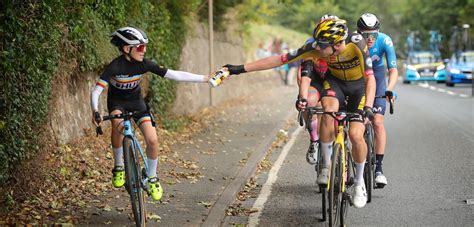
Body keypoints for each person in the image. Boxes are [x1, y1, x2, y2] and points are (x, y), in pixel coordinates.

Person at [222, 18, 376, 208]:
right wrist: (239, 69)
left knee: (355, 134)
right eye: (317, 44)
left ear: (337, 44)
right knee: (328, 111)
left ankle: (360, 183)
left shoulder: (356, 44)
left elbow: (370, 79)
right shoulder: (315, 46)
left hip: (359, 88)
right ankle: (326, 166)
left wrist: (368, 106)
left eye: (322, 45)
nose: (318, 49)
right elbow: (279, 60)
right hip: (335, 84)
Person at [90, 26, 209, 201]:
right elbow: (96, 91)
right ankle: (119, 166)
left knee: (152, 140)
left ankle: (152, 177)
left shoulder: (145, 64)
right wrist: (95, 111)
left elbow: (174, 75)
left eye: (144, 46)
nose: (144, 50)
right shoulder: (115, 66)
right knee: (118, 127)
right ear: (126, 48)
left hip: (137, 102)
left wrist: (204, 78)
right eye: (140, 47)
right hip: (117, 103)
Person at [357, 13, 398, 188]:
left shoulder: (385, 41)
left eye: (373, 34)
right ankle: (357, 162)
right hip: (360, 79)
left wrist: (389, 89)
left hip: (379, 78)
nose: (370, 38)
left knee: (378, 123)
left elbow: (393, 70)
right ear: (359, 33)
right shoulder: (353, 42)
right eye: (366, 35)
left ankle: (379, 169)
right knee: (356, 124)